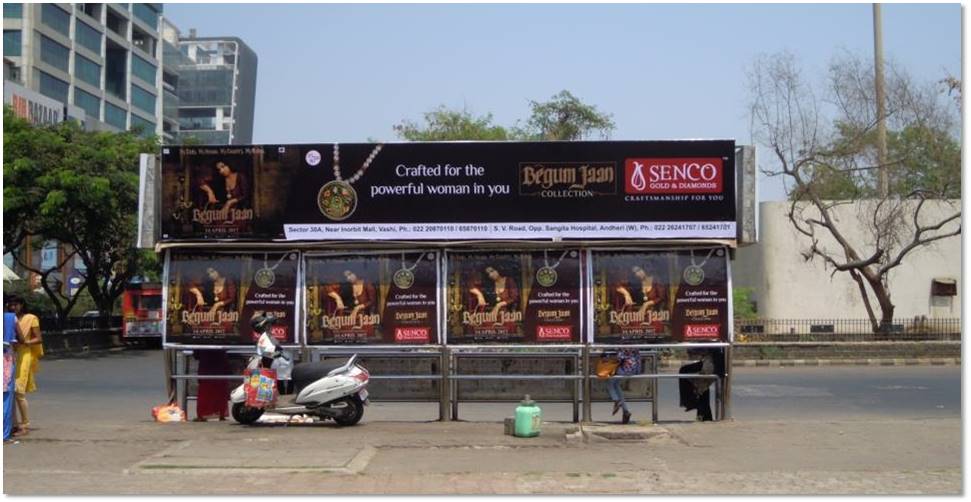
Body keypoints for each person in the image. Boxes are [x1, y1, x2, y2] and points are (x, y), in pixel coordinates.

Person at [10, 296, 42, 435]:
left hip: (24, 354)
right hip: (10, 354)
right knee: (9, 392)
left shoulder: (31, 318)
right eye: (10, 305)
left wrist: (25, 343)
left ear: (22, 305)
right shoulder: (8, 318)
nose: (13, 307)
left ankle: (24, 424)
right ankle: (13, 424)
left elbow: (38, 338)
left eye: (15, 304)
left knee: (19, 391)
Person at [678, 348, 725, 422]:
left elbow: (703, 349)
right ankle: (704, 415)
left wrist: (692, 348)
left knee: (687, 372)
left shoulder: (712, 339)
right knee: (700, 383)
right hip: (710, 360)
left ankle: (692, 403)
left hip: (713, 363)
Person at [603, 348, 641, 425]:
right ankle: (625, 411)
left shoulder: (623, 346)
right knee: (616, 385)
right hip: (634, 368)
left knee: (609, 383)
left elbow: (619, 357)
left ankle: (617, 401)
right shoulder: (634, 345)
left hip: (625, 369)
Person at [194, 350, 230, 422]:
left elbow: (196, 355)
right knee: (220, 390)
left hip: (206, 364)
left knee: (205, 391)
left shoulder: (201, 341)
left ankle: (202, 414)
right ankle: (221, 414)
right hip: (220, 364)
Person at [3, 297, 21, 441]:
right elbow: (21, 337)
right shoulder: (10, 318)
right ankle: (4, 434)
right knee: (6, 397)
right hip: (6, 360)